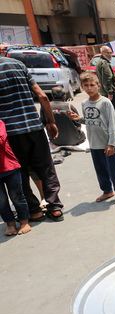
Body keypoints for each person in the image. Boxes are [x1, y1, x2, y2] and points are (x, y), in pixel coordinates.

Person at [0, 56, 64, 222]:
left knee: (20, 173)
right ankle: (55, 207)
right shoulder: (18, 64)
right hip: (34, 128)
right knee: (46, 169)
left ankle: (34, 210)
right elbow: (42, 96)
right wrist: (50, 121)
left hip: (10, 133)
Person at [71, 72, 115, 206]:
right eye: (86, 85)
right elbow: (90, 119)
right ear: (82, 87)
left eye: (92, 85)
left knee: (113, 169)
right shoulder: (84, 103)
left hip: (106, 143)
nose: (89, 88)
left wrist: (111, 144)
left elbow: (112, 124)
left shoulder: (105, 102)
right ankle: (107, 191)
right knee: (100, 169)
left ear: (98, 86)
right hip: (94, 143)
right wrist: (79, 119)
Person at [0, 120, 31, 235]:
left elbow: (1, 140)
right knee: (1, 201)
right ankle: (10, 223)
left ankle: (24, 221)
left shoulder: (0, 123)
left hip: (9, 167)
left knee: (17, 195)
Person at [96, 46, 115, 132]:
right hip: (110, 91)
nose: (110, 55)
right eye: (108, 53)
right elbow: (107, 79)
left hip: (104, 91)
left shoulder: (100, 62)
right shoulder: (104, 63)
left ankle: (113, 127)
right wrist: (110, 92)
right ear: (102, 53)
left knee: (109, 110)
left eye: (110, 52)